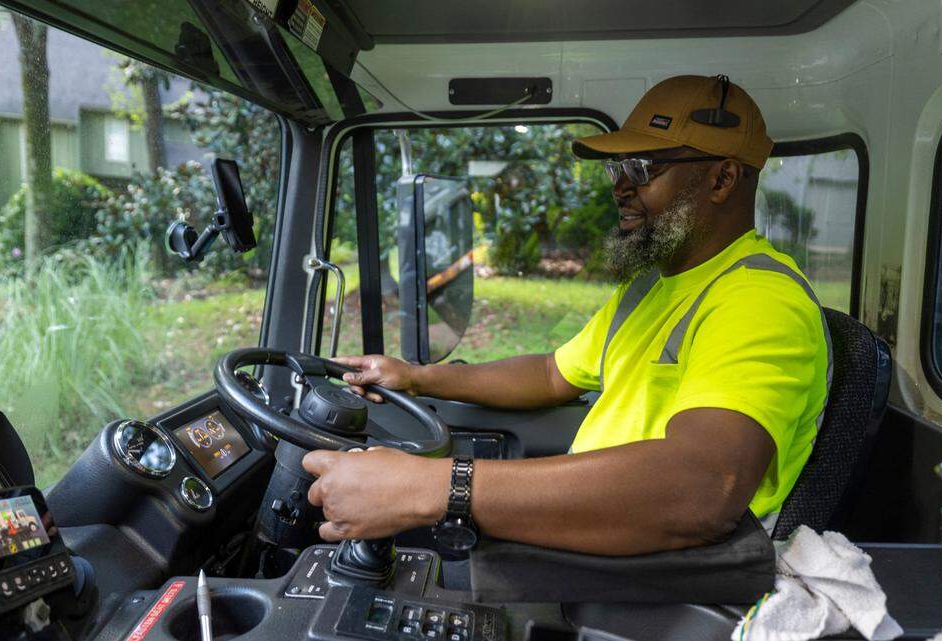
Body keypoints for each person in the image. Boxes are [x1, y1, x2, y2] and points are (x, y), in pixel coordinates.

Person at [302, 75, 830, 556]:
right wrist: (419, 376)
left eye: (644, 168)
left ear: (722, 180)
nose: (620, 186)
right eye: (618, 167)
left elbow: (699, 491)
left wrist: (432, 488)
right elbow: (553, 373)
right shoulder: (654, 287)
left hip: (655, 576)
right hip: (593, 540)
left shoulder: (758, 300)